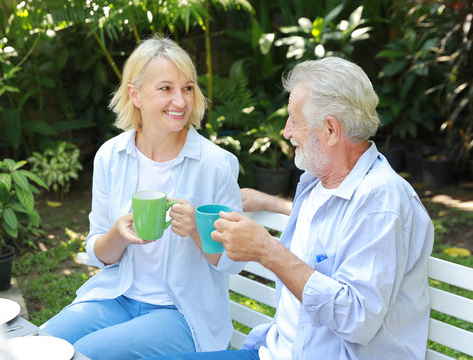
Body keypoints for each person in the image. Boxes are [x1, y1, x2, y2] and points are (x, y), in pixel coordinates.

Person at [150, 56, 434, 359]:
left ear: (330, 129)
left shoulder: (381, 202)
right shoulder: (317, 182)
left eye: (294, 120)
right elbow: (333, 229)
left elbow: (356, 319)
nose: (286, 131)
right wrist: (271, 203)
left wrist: (267, 251)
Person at [41, 36, 244, 359]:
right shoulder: (111, 156)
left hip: (181, 313)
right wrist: (117, 235)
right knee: (43, 342)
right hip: (116, 296)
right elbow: (98, 252)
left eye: (188, 88)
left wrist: (195, 229)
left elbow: (234, 261)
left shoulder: (216, 164)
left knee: (86, 354)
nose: (180, 100)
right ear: (134, 94)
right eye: (165, 88)